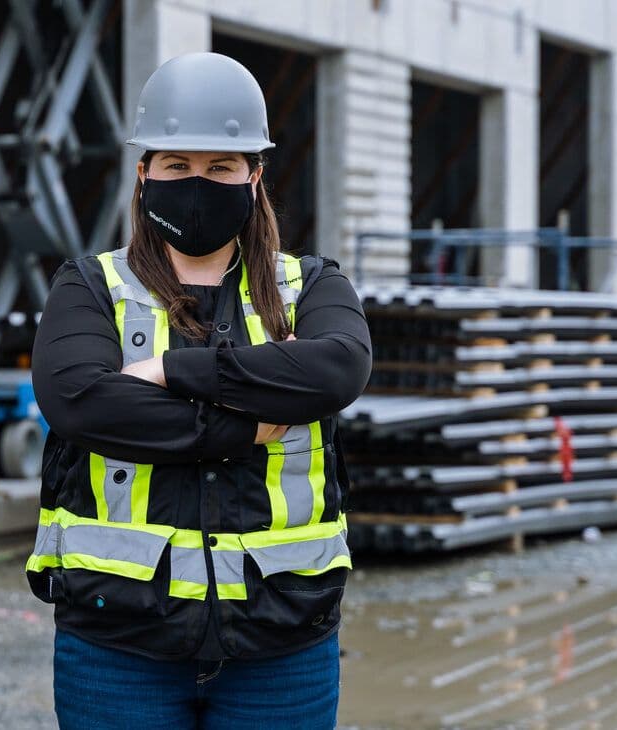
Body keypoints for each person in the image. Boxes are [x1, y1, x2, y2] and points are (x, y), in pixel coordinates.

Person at [26, 52, 373, 729]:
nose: (197, 184)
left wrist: (171, 373)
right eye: (178, 167)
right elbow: (81, 404)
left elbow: (337, 371)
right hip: (120, 644)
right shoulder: (90, 285)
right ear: (144, 173)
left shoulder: (310, 285)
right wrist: (243, 426)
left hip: (282, 644)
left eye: (220, 168)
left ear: (254, 177)